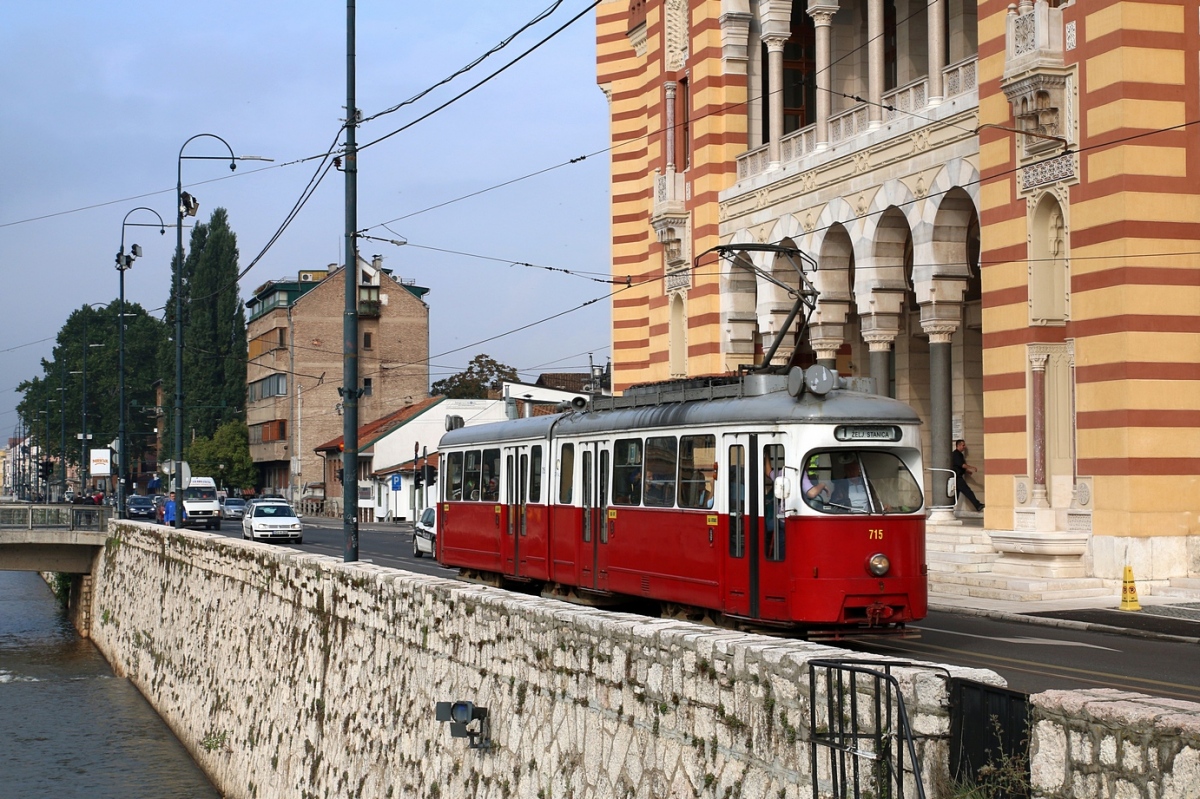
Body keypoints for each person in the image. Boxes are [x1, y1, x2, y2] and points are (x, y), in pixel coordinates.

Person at [952, 439, 984, 512]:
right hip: (957, 478)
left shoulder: (959, 454)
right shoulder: (956, 454)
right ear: (958, 445)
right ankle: (978, 505)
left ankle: (949, 508)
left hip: (956, 477)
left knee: (955, 496)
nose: (964, 447)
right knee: (968, 492)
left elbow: (958, 466)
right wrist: (972, 468)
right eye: (963, 445)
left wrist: (967, 471)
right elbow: (962, 465)